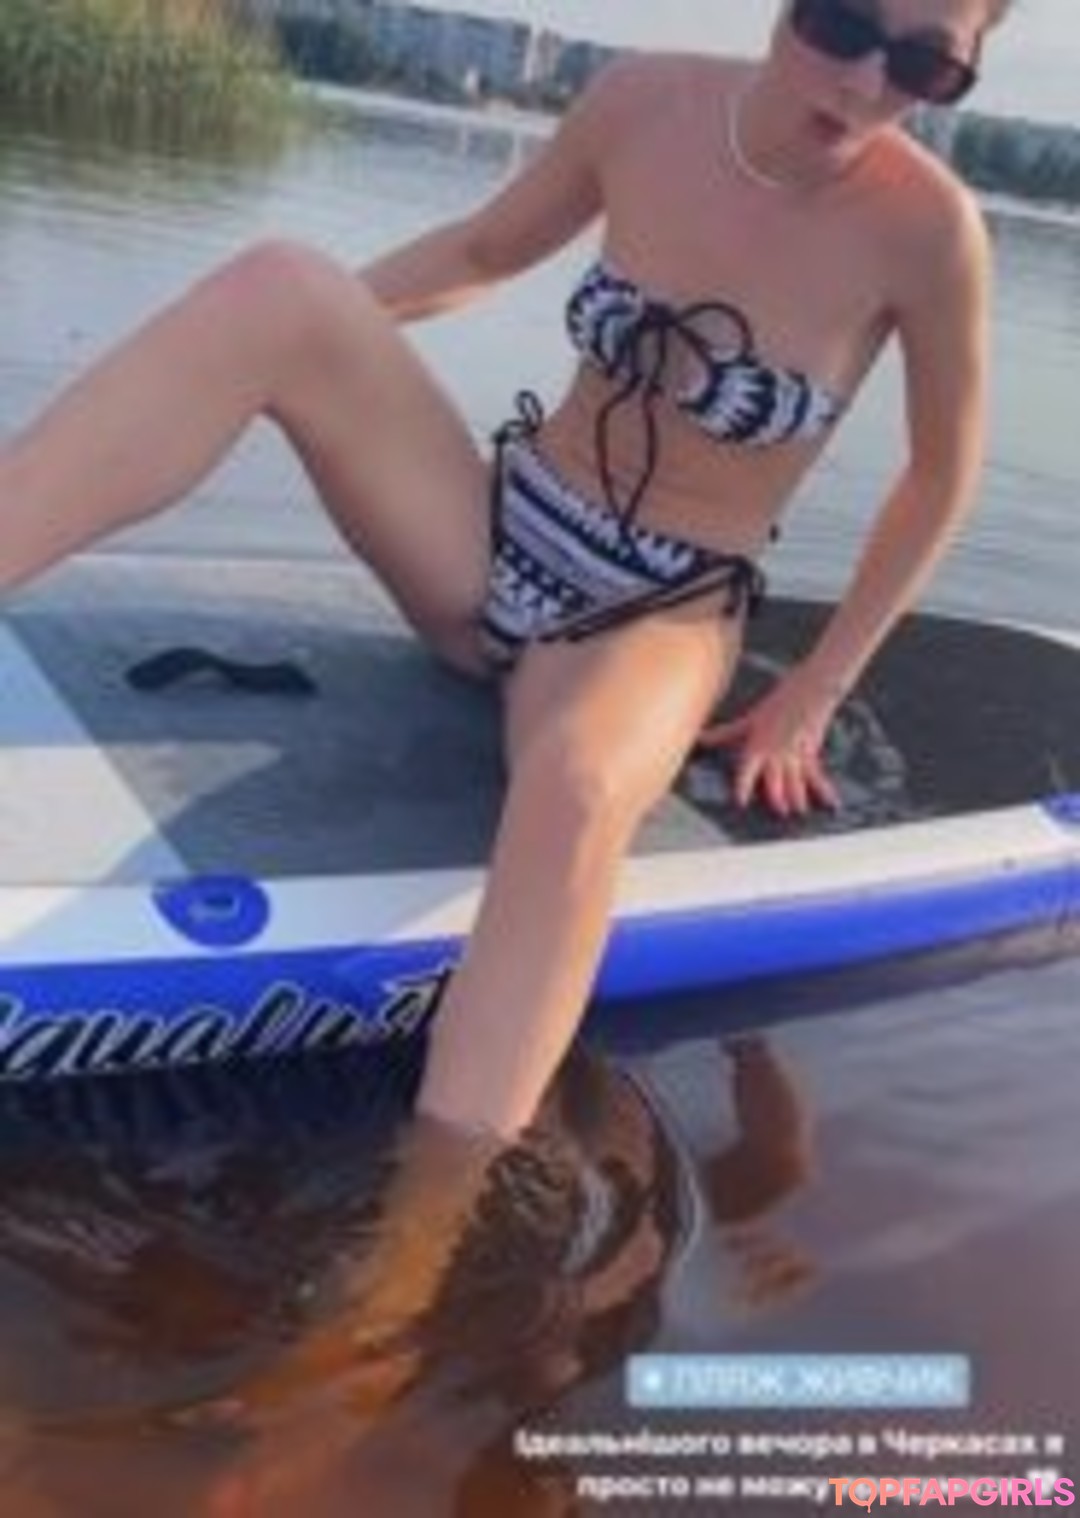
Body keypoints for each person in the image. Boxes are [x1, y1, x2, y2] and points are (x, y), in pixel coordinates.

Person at [0, 0, 1004, 1141]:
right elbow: (481, 254)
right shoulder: (645, 100)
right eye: (843, 22)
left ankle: (428, 1221)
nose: (868, 80)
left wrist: (815, 691)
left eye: (925, 64)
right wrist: (280, 341)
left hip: (654, 612)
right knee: (278, 283)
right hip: (493, 534)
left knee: (574, 791)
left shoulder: (931, 235)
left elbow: (939, 476)